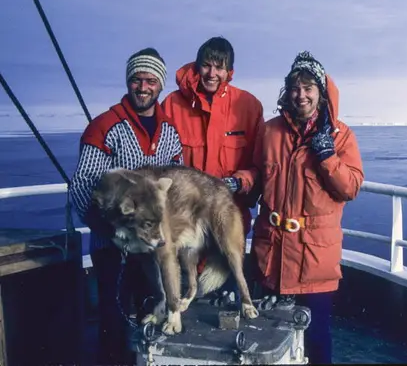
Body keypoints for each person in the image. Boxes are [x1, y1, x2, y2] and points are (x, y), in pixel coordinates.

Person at [69, 47, 183, 365]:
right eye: (136, 79)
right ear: (128, 82)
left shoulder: (170, 132)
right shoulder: (105, 127)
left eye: (150, 80)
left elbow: (176, 185)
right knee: (114, 320)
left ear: (160, 85)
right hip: (113, 248)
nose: (143, 87)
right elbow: (82, 186)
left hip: (151, 247)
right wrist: (109, 230)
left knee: (153, 312)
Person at [250, 51, 364, 364]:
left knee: (316, 335)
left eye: (309, 88)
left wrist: (328, 157)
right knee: (266, 331)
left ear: (321, 93)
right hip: (272, 254)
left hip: (314, 259)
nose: (301, 95)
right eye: (295, 88)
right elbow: (258, 174)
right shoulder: (270, 131)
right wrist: (239, 182)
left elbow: (351, 187)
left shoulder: (341, 137)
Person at [161, 36, 264, 289]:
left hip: (227, 226)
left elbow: (259, 165)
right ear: (197, 66)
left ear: (230, 72)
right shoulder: (172, 106)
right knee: (182, 304)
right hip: (184, 227)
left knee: (228, 306)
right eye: (206, 65)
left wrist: (240, 182)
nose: (212, 73)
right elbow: (161, 163)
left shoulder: (248, 107)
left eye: (219, 67)